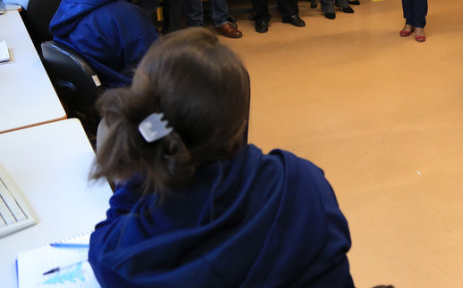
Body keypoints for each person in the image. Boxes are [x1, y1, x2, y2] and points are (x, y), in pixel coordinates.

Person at [88, 28, 355, 287]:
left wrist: (140, 170)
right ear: (240, 120)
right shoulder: (304, 180)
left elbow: (103, 243)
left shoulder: (123, 254)